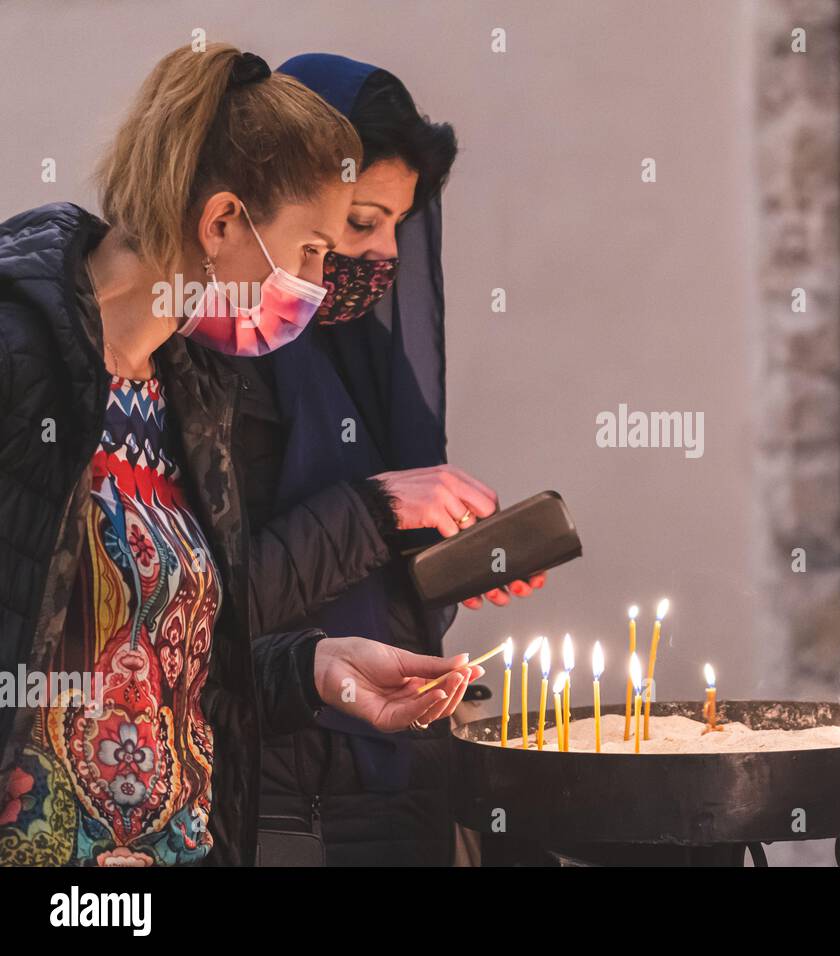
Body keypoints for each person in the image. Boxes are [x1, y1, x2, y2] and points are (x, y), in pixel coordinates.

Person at [0, 43, 480, 867]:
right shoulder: (20, 353)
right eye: (312, 251)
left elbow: (174, 656)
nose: (321, 282)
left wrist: (319, 668)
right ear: (221, 222)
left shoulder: (185, 393)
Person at [235, 53, 541, 866]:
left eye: (399, 227)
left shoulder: (362, 360)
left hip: (397, 776)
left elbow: (361, 562)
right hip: (275, 790)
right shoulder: (219, 357)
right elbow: (201, 609)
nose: (384, 256)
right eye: (362, 221)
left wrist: (446, 556)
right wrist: (380, 508)